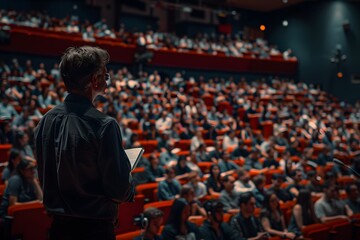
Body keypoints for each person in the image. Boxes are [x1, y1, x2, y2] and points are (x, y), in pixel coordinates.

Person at [34, 46, 134, 240]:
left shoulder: (44, 121)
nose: (107, 80)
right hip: (94, 230)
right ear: (93, 80)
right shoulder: (104, 125)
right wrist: (126, 172)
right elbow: (119, 190)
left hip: (58, 229)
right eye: (104, 75)